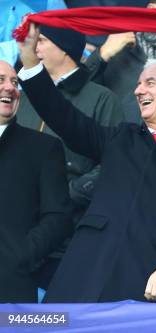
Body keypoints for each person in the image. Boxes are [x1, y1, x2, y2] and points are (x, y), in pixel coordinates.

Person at [17, 23, 156, 303]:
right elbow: (63, 117)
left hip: (149, 277)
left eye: (150, 82)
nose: (138, 90)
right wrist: (30, 64)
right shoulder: (119, 137)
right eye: (138, 84)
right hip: (86, 267)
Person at [16, 25, 123, 290]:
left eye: (41, 41)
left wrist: (67, 194)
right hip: (19, 224)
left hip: (70, 231)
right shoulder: (22, 95)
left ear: (64, 49)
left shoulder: (102, 98)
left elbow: (114, 163)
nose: (34, 48)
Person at [0, 60, 72, 303]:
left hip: (9, 289)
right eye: (1, 80)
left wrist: (19, 257)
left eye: (14, 82)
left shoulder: (43, 148)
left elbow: (59, 218)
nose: (10, 88)